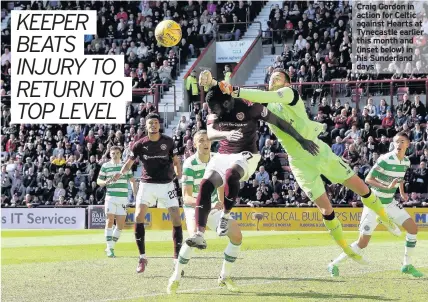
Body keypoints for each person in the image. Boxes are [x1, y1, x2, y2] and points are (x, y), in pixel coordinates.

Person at [213, 68, 402, 263]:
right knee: (326, 210)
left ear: (287, 83)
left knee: (362, 189)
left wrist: (235, 89)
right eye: (271, 78)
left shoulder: (289, 94)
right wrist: (220, 88)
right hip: (298, 162)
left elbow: (260, 94)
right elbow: (241, 105)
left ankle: (385, 218)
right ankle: (347, 249)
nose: (273, 79)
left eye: (278, 77)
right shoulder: (266, 104)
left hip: (317, 151)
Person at [186, 70, 319, 250]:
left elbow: (280, 122)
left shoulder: (251, 107)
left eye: (219, 109)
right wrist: (225, 133)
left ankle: (224, 217)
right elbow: (210, 133)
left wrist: (302, 139)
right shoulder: (214, 108)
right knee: (205, 184)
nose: (217, 113)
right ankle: (199, 234)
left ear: (228, 101)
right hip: (224, 153)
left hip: (247, 153)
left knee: (232, 174)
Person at [329, 133, 423, 278]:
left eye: (402, 141)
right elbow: (368, 179)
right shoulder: (385, 159)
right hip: (374, 203)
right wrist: (386, 187)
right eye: (396, 141)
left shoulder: (405, 162)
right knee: (363, 243)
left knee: (413, 228)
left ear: (408, 144)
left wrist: (402, 192)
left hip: (389, 202)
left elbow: (400, 179)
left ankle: (407, 265)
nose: (398, 144)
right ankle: (334, 263)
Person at [168, 130, 242, 294]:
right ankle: (176, 276)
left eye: (208, 140)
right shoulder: (189, 164)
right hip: (194, 208)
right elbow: (186, 197)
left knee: (236, 235)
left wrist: (220, 200)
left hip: (213, 208)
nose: (205, 143)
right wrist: (206, 203)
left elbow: (221, 183)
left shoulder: (217, 159)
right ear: (194, 144)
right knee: (194, 237)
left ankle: (224, 277)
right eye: (201, 140)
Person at [112, 113, 182, 273]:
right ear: (146, 126)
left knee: (177, 219)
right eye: (151, 123)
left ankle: (177, 259)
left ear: (159, 125)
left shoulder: (169, 142)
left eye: (156, 123)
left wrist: (180, 174)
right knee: (138, 217)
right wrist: (120, 174)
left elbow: (176, 161)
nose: (153, 125)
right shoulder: (139, 144)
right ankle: (142, 257)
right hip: (147, 185)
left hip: (167, 184)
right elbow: (129, 162)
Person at [97, 146, 137, 258]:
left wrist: (135, 194)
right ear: (110, 154)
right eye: (113, 153)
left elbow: (132, 181)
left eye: (117, 153)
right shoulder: (105, 166)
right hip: (110, 197)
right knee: (109, 221)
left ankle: (110, 246)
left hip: (123, 198)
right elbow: (99, 181)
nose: (115, 155)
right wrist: (105, 182)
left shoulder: (125, 166)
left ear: (120, 154)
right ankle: (110, 248)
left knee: (120, 226)